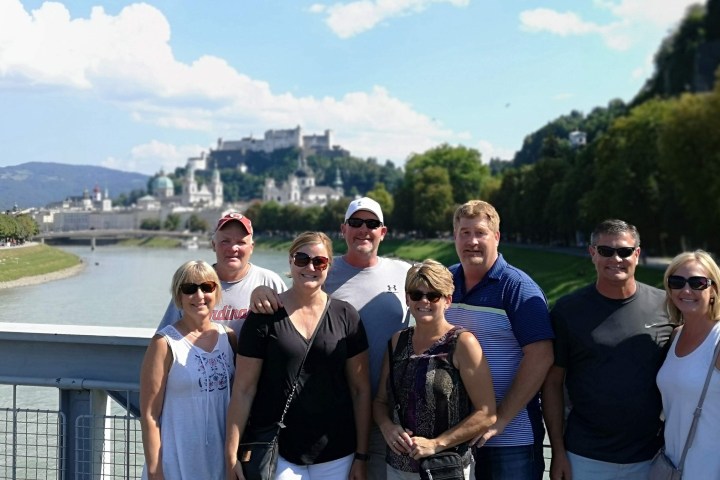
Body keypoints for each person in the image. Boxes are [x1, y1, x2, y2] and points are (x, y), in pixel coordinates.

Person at [250, 197, 411, 479]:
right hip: (341, 415)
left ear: (382, 232)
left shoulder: (405, 272)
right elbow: (289, 298)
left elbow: (439, 292)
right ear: (343, 229)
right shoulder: (323, 268)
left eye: (372, 223)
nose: (364, 229)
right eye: (356, 223)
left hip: (391, 414)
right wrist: (258, 292)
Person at [225, 231, 372, 480]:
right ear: (290, 261)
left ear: (328, 266)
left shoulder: (346, 316)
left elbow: (360, 390)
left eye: (320, 261)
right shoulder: (264, 316)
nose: (311, 267)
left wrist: (361, 455)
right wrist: (231, 454)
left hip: (337, 452)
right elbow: (243, 389)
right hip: (278, 453)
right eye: (302, 259)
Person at [542, 219, 672, 479]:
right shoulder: (568, 311)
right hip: (584, 456)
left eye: (624, 251)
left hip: (652, 457)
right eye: (605, 251)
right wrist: (558, 450)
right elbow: (552, 383)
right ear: (592, 254)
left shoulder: (666, 306)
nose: (616, 258)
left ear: (637, 254)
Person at [445, 200, 554, 480]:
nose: (472, 241)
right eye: (464, 233)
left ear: (496, 237)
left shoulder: (517, 287)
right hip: (456, 436)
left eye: (480, 232)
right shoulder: (444, 284)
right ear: (454, 236)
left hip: (510, 438)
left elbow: (541, 356)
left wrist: (501, 418)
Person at [373, 259, 497, 480]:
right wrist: (387, 427)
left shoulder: (462, 343)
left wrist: (436, 444)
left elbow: (486, 414)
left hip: (446, 469)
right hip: (398, 468)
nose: (424, 301)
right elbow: (380, 401)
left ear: (448, 300)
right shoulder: (397, 342)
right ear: (407, 298)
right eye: (416, 294)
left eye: (433, 296)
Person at [140, 260, 237, 480]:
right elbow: (149, 415)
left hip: (219, 460)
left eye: (207, 287)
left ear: (217, 291)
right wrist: (156, 472)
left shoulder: (228, 338)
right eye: (189, 289)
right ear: (179, 295)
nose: (199, 295)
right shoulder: (164, 343)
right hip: (177, 461)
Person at [157, 212, 287, 338]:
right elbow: (165, 336)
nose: (233, 248)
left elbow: (291, 331)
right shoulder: (191, 284)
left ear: (251, 247)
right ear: (214, 245)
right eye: (225, 241)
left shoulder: (270, 282)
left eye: (241, 242)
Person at [656, 250, 720, 479]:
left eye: (697, 283)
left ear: (713, 290)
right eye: (677, 282)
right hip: (674, 467)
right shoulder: (675, 336)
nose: (686, 290)